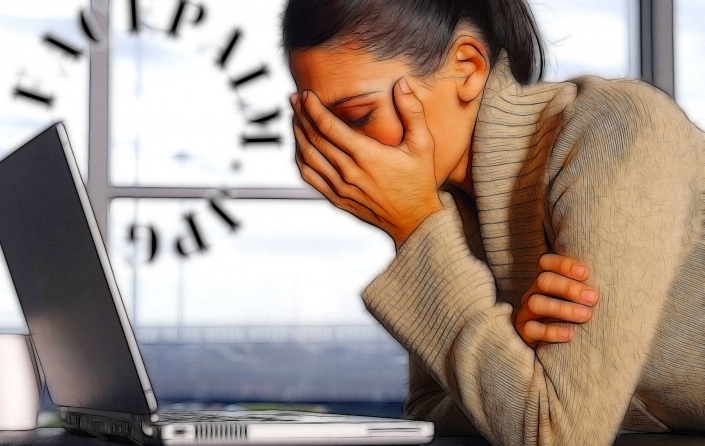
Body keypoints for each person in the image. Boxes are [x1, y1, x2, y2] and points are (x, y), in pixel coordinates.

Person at [282, 0, 705, 445]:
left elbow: (557, 434)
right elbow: (429, 408)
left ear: (467, 67)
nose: (340, 152)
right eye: (318, 126)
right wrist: (511, 355)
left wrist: (414, 225)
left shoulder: (614, 129)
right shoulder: (446, 201)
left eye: (356, 117)